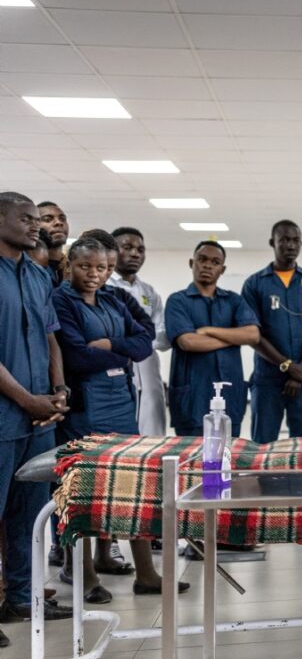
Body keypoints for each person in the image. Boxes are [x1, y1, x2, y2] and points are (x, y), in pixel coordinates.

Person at [54, 238, 188, 599]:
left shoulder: (114, 299)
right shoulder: (61, 301)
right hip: (84, 406)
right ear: (70, 266)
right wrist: (122, 349)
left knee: (132, 485)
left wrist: (111, 346)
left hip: (120, 402)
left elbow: (144, 342)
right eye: (85, 267)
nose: (94, 274)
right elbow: (77, 356)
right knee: (83, 491)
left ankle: (146, 573)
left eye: (101, 268)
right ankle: (84, 576)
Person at [0, 192, 73, 628]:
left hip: (40, 417)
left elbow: (50, 338)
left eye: (36, 220)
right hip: (7, 414)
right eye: (25, 219)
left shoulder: (38, 276)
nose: (36, 226)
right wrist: (27, 399)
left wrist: (58, 390)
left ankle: (23, 599)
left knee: (30, 513)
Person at [242, 221, 302, 443]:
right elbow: (254, 336)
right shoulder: (254, 284)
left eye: (295, 240)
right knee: (263, 444)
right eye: (284, 240)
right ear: (272, 243)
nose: (290, 245)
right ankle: (263, 480)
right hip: (267, 379)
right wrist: (287, 366)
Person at [165, 241, 260, 438]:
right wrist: (234, 337)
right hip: (192, 398)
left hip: (230, 397)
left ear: (222, 269)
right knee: (192, 460)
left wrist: (208, 330)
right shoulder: (178, 301)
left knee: (227, 457)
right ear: (192, 263)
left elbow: (252, 335)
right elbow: (188, 342)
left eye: (215, 262)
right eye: (202, 260)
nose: (208, 265)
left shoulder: (234, 301)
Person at [108, 227, 170, 437]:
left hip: (148, 368)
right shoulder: (102, 286)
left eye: (140, 249)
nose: (135, 253)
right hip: (115, 368)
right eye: (128, 247)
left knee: (152, 431)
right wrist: (138, 339)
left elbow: (163, 335)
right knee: (119, 435)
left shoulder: (149, 292)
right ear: (112, 250)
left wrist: (138, 342)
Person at [37, 201, 69, 287]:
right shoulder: (28, 268)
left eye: (63, 219)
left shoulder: (72, 268)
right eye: (47, 219)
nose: (59, 222)